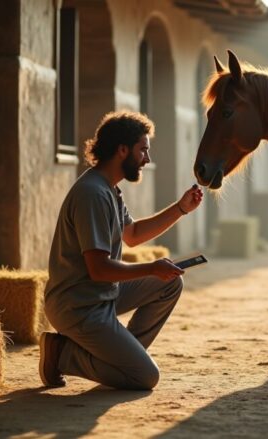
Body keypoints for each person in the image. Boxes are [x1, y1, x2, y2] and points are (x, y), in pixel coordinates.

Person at [41, 110, 203, 390]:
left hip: (101, 296)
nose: (147, 159)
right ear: (122, 150)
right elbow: (99, 269)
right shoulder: (93, 194)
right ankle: (63, 354)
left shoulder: (109, 189)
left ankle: (122, 357)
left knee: (170, 283)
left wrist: (180, 209)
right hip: (79, 306)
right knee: (145, 377)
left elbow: (134, 234)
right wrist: (152, 267)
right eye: (143, 150)